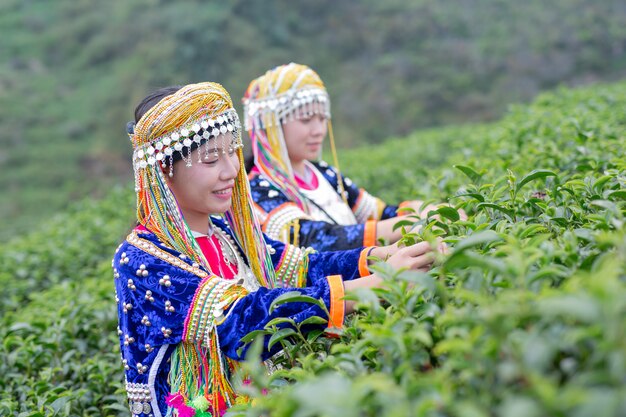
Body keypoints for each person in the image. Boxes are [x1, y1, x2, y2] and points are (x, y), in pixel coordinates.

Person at [113, 82, 442, 417]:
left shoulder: (226, 233)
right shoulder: (142, 257)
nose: (231, 170)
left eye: (232, 152)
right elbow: (240, 320)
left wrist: (381, 258)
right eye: (211, 159)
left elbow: (301, 267)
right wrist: (378, 284)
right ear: (164, 171)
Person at [243, 63, 463, 252]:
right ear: (271, 125)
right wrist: (418, 223)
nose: (319, 130)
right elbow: (317, 239)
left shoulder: (324, 174)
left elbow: (377, 214)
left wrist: (431, 210)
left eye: (322, 119)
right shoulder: (258, 189)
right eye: (306, 119)